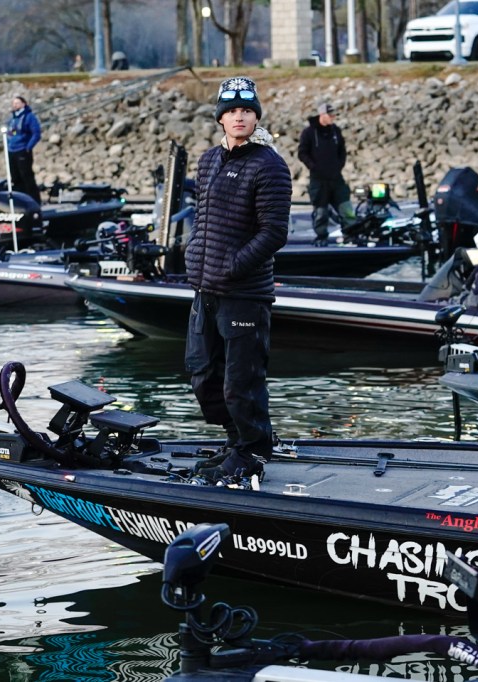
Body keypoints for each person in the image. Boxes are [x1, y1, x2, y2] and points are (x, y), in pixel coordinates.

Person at [184, 76, 291, 482]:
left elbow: (274, 233)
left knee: (241, 381)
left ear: (256, 117)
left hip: (244, 293)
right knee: (202, 375)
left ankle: (252, 450)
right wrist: (194, 255)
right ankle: (235, 441)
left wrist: (232, 265)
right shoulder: (208, 161)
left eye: (247, 110)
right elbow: (203, 219)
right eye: (232, 111)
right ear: (221, 118)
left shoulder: (269, 165)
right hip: (205, 289)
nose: (240, 117)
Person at [297, 102, 355, 246]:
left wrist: (339, 165)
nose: (333, 117)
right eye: (330, 115)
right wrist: (313, 166)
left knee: (346, 208)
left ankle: (350, 235)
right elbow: (302, 152)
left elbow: (342, 151)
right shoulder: (309, 132)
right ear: (322, 115)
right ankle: (321, 237)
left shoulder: (336, 131)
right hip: (318, 179)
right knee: (321, 212)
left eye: (334, 115)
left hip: (336, 178)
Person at [6, 95, 42, 204]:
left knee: (26, 176)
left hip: (23, 150)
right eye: (14, 103)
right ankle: (20, 201)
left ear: (23, 104)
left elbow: (36, 133)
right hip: (12, 150)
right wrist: (8, 141)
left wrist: (28, 147)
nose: (15, 105)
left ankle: (35, 201)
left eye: (17, 103)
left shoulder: (29, 117)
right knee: (15, 177)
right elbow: (13, 132)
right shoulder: (13, 119)